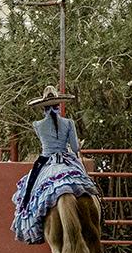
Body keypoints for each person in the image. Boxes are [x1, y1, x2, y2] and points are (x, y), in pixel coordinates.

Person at [10, 85, 99, 244]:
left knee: (29, 191)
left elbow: (45, 144)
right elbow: (75, 148)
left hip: (45, 161)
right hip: (66, 159)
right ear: (59, 105)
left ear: (43, 107)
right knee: (85, 182)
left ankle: (31, 223)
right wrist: (78, 144)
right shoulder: (69, 122)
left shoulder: (37, 125)